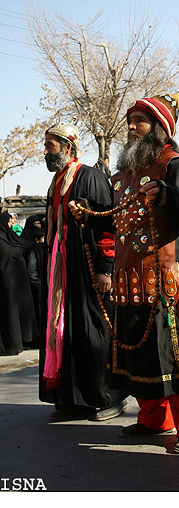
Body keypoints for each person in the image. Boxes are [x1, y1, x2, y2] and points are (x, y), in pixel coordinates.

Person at [70, 94, 179, 454]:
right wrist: (87, 213)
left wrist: (165, 194)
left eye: (140, 121)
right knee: (138, 356)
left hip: (163, 279)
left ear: (159, 127)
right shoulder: (120, 175)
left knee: (174, 354)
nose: (131, 126)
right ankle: (153, 418)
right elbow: (112, 219)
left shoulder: (173, 163)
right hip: (125, 280)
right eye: (130, 120)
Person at [40, 121, 127, 422]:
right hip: (62, 269)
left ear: (67, 146)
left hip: (86, 267)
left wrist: (105, 270)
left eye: (50, 145)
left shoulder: (89, 176)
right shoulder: (56, 182)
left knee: (93, 334)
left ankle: (107, 398)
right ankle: (73, 400)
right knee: (66, 331)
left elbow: (107, 226)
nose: (45, 151)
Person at [0, 212, 39, 355]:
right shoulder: (2, 238)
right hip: (6, 284)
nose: (11, 224)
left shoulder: (9, 235)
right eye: (9, 221)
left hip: (17, 284)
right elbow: (9, 252)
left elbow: (23, 245)